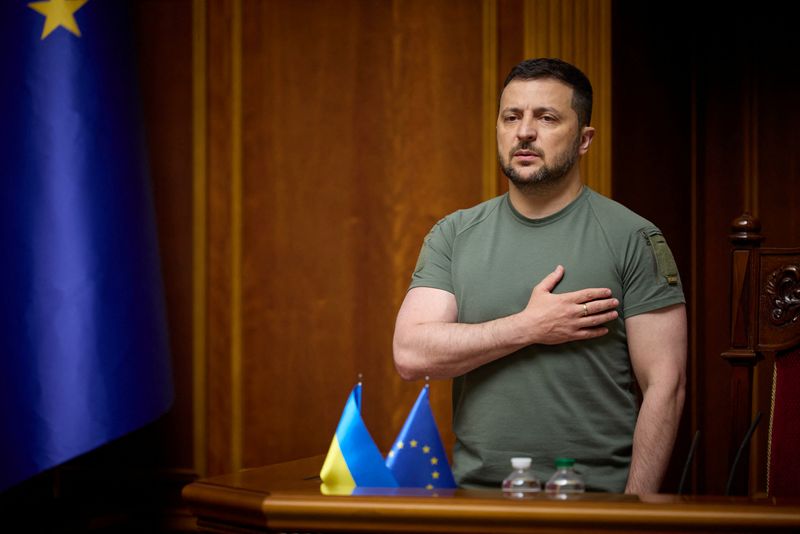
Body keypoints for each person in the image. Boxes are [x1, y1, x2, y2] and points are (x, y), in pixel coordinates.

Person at [392, 58, 687, 494]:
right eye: (512, 117)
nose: (524, 132)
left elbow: (667, 385)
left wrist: (633, 511)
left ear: (584, 139)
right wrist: (528, 327)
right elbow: (411, 354)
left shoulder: (634, 237)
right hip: (475, 503)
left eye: (546, 118)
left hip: (596, 504)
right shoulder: (453, 234)